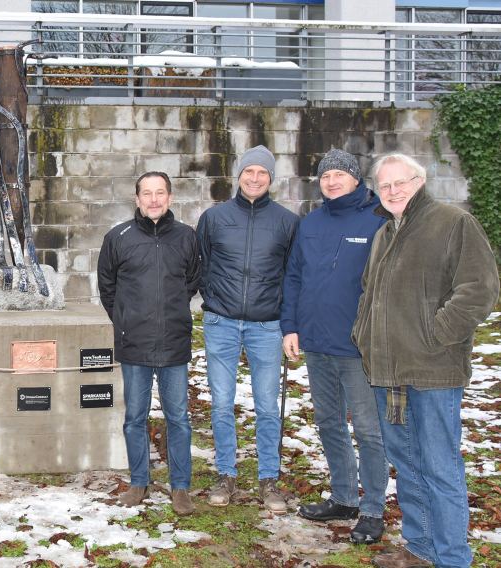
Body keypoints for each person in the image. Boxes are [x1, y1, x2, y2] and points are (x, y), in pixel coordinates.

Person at [352, 153, 499, 568]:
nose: (394, 190)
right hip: (389, 374)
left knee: (439, 467)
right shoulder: (384, 233)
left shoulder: (452, 223)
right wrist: (363, 336)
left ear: (421, 181)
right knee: (408, 465)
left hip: (433, 372)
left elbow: (479, 289)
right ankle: (420, 548)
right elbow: (369, 295)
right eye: (385, 185)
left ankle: (452, 558)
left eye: (402, 182)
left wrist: (435, 335)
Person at [280, 148, 388, 544]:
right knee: (328, 423)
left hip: (358, 347)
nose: (331, 181)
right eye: (325, 176)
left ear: (356, 179)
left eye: (339, 174)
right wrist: (290, 327)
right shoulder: (311, 223)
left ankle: (374, 508)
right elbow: (293, 278)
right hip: (317, 343)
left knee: (369, 430)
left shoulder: (379, 220)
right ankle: (344, 497)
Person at [196, 145, 299, 513]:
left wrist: (289, 324)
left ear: (271, 179)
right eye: (249, 172)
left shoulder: (287, 222)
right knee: (222, 403)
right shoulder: (214, 217)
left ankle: (268, 477)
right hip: (221, 322)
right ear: (237, 175)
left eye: (263, 174)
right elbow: (201, 265)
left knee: (267, 406)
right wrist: (215, 300)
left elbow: (293, 276)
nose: (255, 179)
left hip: (266, 325)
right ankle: (226, 473)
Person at [97, 171, 200, 515]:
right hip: (135, 345)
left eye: (160, 193)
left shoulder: (187, 237)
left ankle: (181, 487)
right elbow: (108, 289)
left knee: (179, 419)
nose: (154, 199)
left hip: (173, 344)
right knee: (135, 418)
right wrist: (127, 320)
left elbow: (192, 282)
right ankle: (139, 481)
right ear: (137, 198)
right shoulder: (118, 237)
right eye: (147, 193)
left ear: (170, 197)